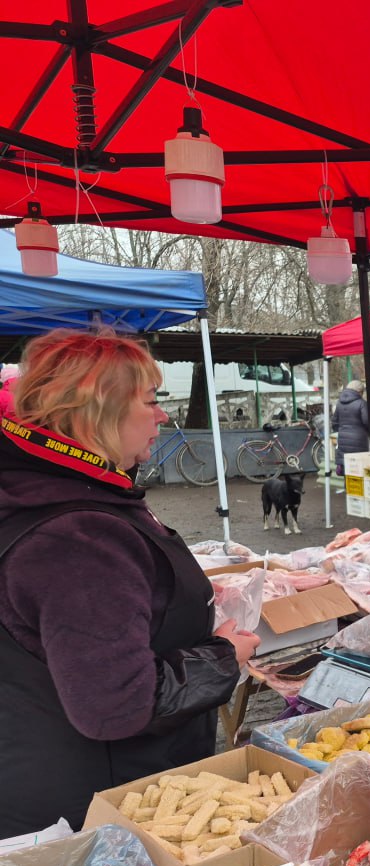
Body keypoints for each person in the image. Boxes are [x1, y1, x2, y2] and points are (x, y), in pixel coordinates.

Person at [0, 329, 260, 835]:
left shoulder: (48, 491)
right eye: (149, 400)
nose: (162, 415)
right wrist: (222, 655)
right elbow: (117, 706)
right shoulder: (76, 535)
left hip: (52, 777)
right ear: (97, 413)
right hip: (99, 811)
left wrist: (180, 604)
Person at [331, 379, 369, 476]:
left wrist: (342, 431)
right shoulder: (361, 403)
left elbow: (334, 422)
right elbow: (367, 421)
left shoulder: (339, 403)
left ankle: (348, 489)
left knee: (347, 467)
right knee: (359, 467)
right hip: (359, 440)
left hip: (343, 440)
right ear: (359, 391)